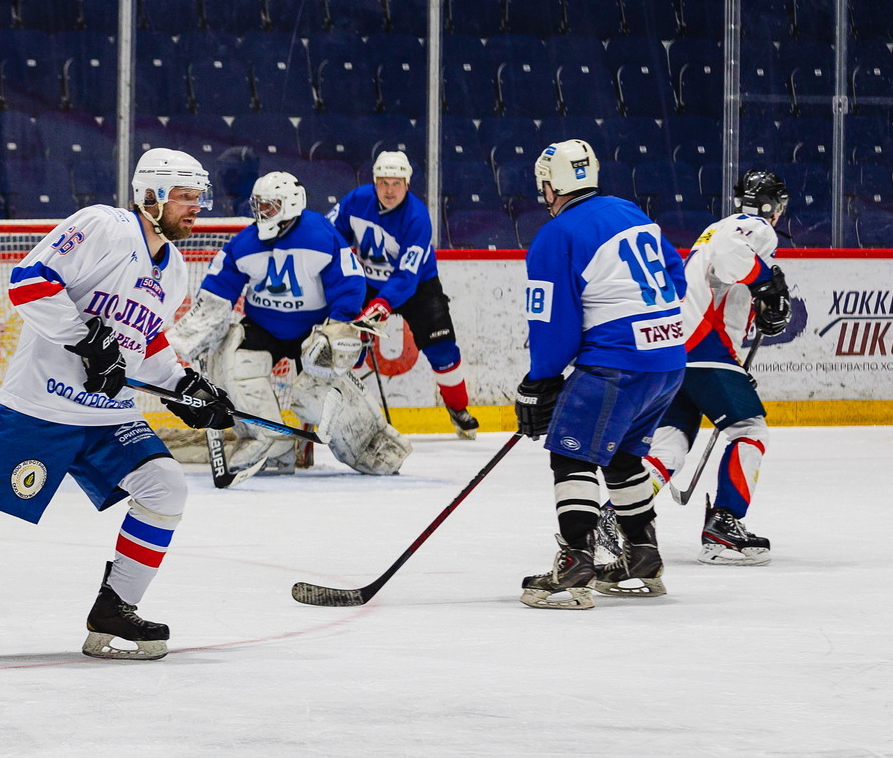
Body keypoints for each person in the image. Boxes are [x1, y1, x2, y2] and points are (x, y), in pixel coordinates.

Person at [0, 148, 237, 664]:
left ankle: (114, 608)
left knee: (164, 485)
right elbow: (29, 282)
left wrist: (186, 386)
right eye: (185, 196)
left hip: (108, 415)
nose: (196, 207)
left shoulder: (176, 269)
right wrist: (86, 338)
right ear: (150, 195)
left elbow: (150, 341)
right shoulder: (105, 227)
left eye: (199, 197)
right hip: (40, 406)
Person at [513, 139, 687, 609]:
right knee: (623, 457)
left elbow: (553, 321)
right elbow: (676, 276)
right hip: (668, 361)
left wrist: (541, 379)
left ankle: (575, 564)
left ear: (553, 185)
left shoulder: (557, 234)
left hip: (619, 363)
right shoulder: (629, 211)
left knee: (571, 454)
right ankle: (642, 557)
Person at [171, 169, 409, 485]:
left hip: (315, 330)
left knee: (319, 388)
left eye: (269, 206)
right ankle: (272, 446)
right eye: (258, 205)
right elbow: (219, 288)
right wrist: (197, 331)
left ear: (290, 204)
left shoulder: (320, 235)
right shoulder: (246, 242)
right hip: (262, 325)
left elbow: (349, 282)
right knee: (237, 364)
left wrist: (340, 326)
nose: (261, 213)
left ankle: (368, 445)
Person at [645, 169, 792, 565]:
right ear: (773, 205)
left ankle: (614, 517)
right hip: (703, 344)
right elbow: (731, 260)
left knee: (670, 442)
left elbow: (722, 281)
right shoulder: (755, 227)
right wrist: (766, 283)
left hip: (674, 345)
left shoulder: (716, 228)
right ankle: (724, 526)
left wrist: (761, 302)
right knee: (749, 429)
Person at [328, 150, 480, 438]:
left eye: (396, 184)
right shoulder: (356, 200)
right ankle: (336, 409)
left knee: (442, 348)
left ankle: (458, 408)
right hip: (367, 282)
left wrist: (380, 306)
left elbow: (407, 276)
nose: (389, 190)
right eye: (383, 183)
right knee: (346, 345)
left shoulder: (417, 217)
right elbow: (330, 234)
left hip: (417, 287)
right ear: (374, 183)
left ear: (407, 184)